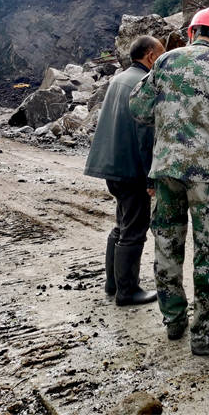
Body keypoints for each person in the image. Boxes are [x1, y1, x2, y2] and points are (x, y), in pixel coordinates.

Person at [129, 7, 209, 356]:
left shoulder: (165, 61)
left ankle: (174, 319)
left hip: (166, 170)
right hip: (206, 174)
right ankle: (207, 334)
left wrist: (169, 124)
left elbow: (138, 107)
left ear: (191, 33)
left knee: (167, 244)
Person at [84, 35, 165, 307]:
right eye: (161, 56)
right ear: (151, 56)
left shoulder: (119, 79)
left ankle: (114, 283)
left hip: (112, 166)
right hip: (132, 169)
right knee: (134, 229)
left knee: (121, 225)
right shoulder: (144, 83)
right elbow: (145, 135)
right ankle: (127, 291)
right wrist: (151, 175)